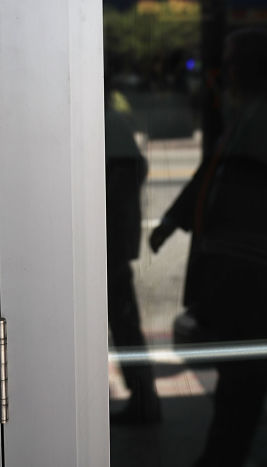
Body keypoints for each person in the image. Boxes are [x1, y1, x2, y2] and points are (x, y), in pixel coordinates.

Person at [149, 28, 267, 466]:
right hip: (257, 277)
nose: (225, 71)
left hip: (266, 277)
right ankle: (245, 454)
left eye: (233, 62)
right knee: (257, 376)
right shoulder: (255, 111)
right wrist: (175, 220)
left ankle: (251, 455)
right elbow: (214, 172)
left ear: (253, 66)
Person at [105, 94, 161, 424]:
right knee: (122, 320)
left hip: (108, 242)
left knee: (123, 320)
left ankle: (143, 398)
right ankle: (143, 397)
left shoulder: (108, 122)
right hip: (110, 240)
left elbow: (133, 169)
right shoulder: (109, 121)